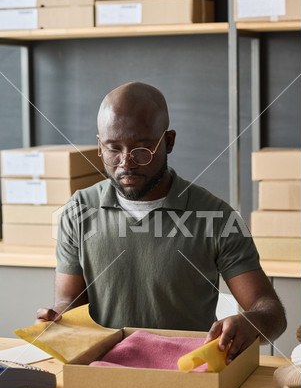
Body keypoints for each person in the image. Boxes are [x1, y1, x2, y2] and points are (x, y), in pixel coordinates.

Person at [36, 82, 287, 364]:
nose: (126, 163)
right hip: (100, 371)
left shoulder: (217, 217)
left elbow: (270, 312)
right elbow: (69, 304)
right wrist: (56, 318)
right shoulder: (78, 211)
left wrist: (251, 322)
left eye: (142, 149)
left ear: (168, 141)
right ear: (99, 145)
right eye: (113, 149)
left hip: (187, 375)